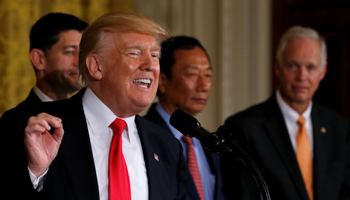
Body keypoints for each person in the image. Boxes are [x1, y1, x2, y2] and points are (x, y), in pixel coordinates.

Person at [0, 12, 186, 200]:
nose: (150, 65)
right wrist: (35, 173)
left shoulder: (167, 147)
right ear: (96, 66)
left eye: (155, 55)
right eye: (134, 53)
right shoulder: (29, 127)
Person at [223, 26, 350, 200]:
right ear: (277, 67)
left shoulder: (340, 129)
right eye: (293, 65)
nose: (302, 76)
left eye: (311, 67)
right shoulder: (244, 128)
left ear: (323, 71)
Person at [144, 36, 225, 200]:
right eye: (192, 74)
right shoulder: (143, 136)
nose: (203, 86)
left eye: (208, 75)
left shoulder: (209, 141)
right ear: (163, 80)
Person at [18, 13, 88, 107]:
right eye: (69, 52)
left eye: (83, 52)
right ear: (39, 59)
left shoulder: (88, 114)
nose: (81, 62)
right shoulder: (19, 120)